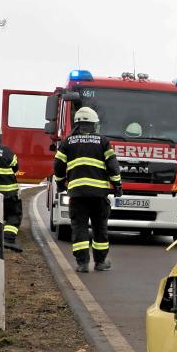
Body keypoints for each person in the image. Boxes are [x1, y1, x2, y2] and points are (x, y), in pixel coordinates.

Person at [52, 107, 123, 273]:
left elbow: (58, 165)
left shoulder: (68, 142)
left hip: (77, 194)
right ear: (93, 124)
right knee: (100, 228)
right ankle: (100, 262)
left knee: (79, 228)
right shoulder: (103, 141)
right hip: (99, 195)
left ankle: (82, 263)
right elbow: (113, 166)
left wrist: (61, 184)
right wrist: (117, 185)